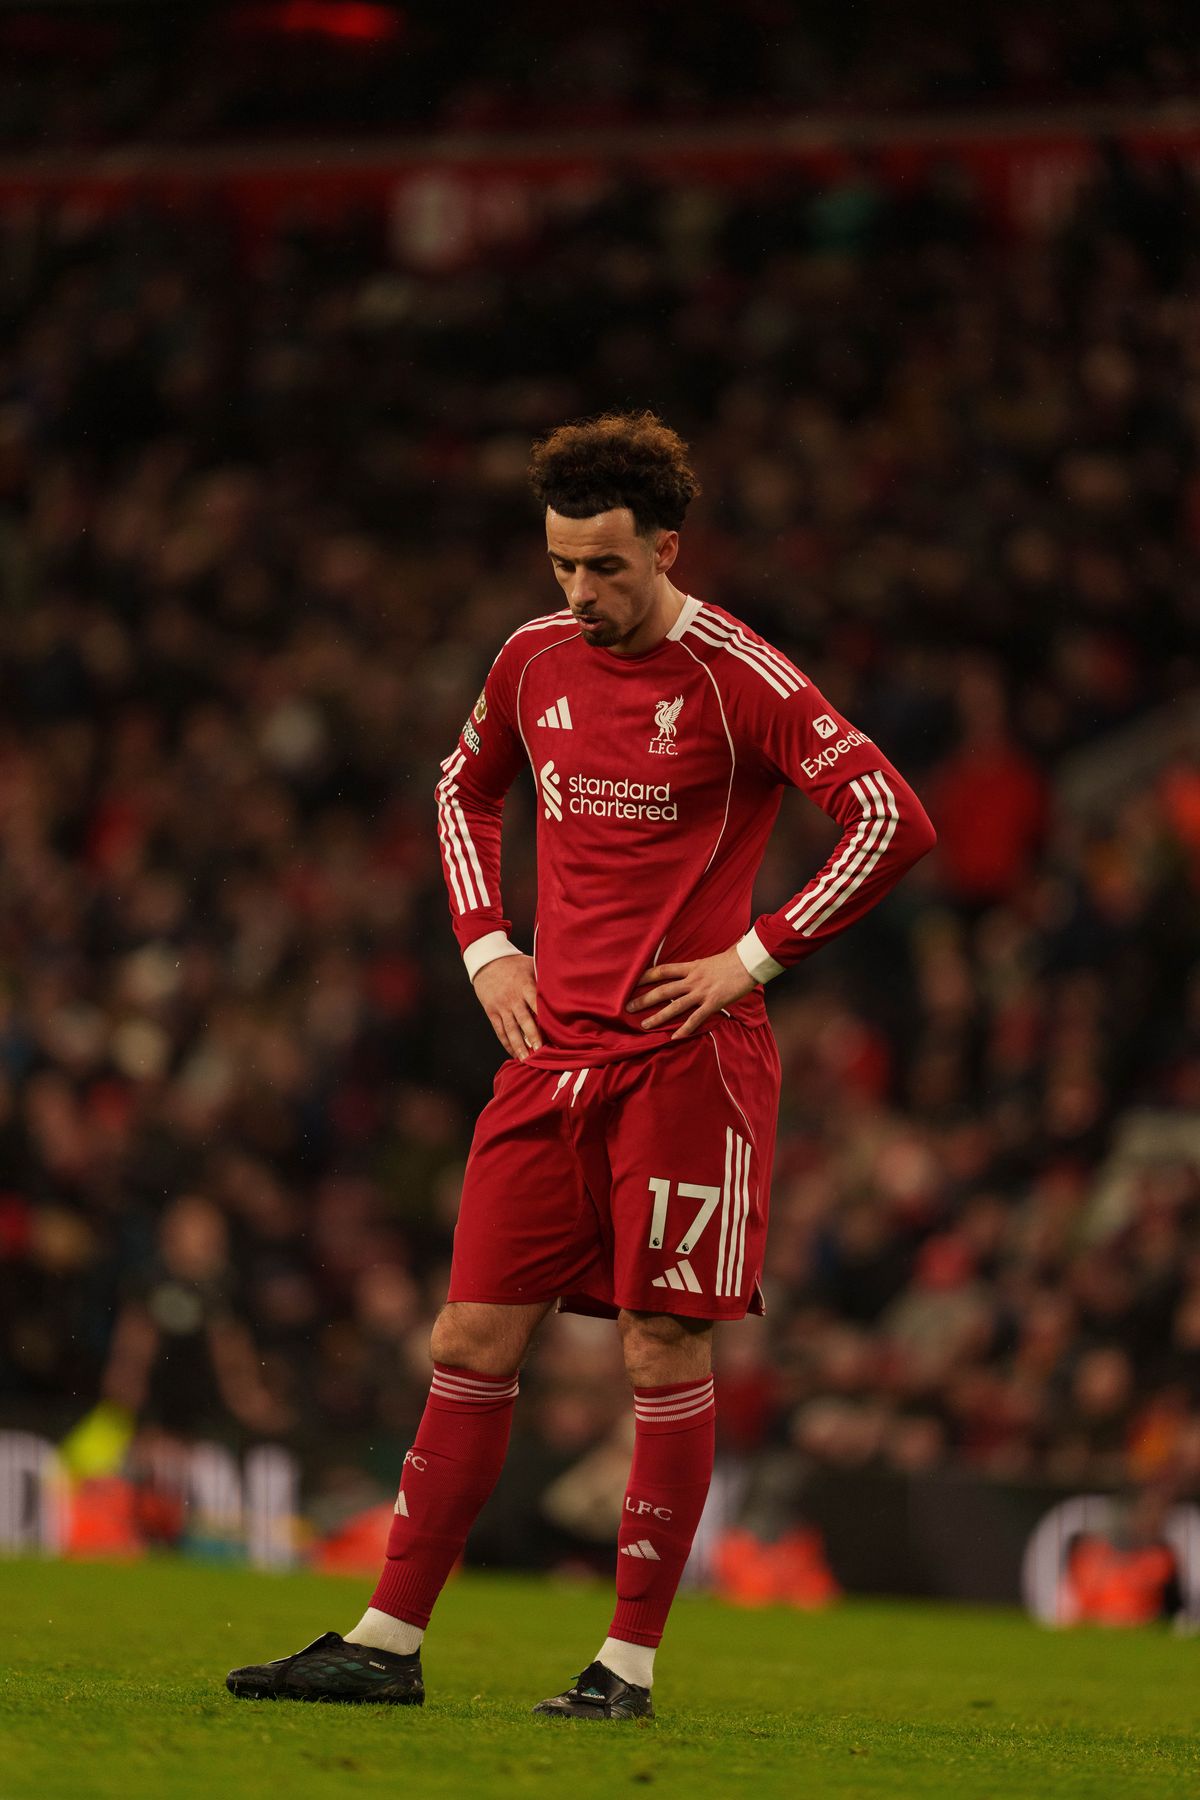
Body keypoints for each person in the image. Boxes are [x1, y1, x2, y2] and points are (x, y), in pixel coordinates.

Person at [226, 410, 936, 1718]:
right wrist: (487, 946)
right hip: (551, 1050)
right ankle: (384, 1642)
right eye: (560, 563)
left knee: (661, 1350)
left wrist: (753, 959)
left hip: (688, 1059)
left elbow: (890, 815)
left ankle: (625, 1667)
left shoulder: (736, 675)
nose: (579, 591)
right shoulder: (531, 657)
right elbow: (462, 788)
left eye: (604, 565)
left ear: (665, 548)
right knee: (470, 1331)